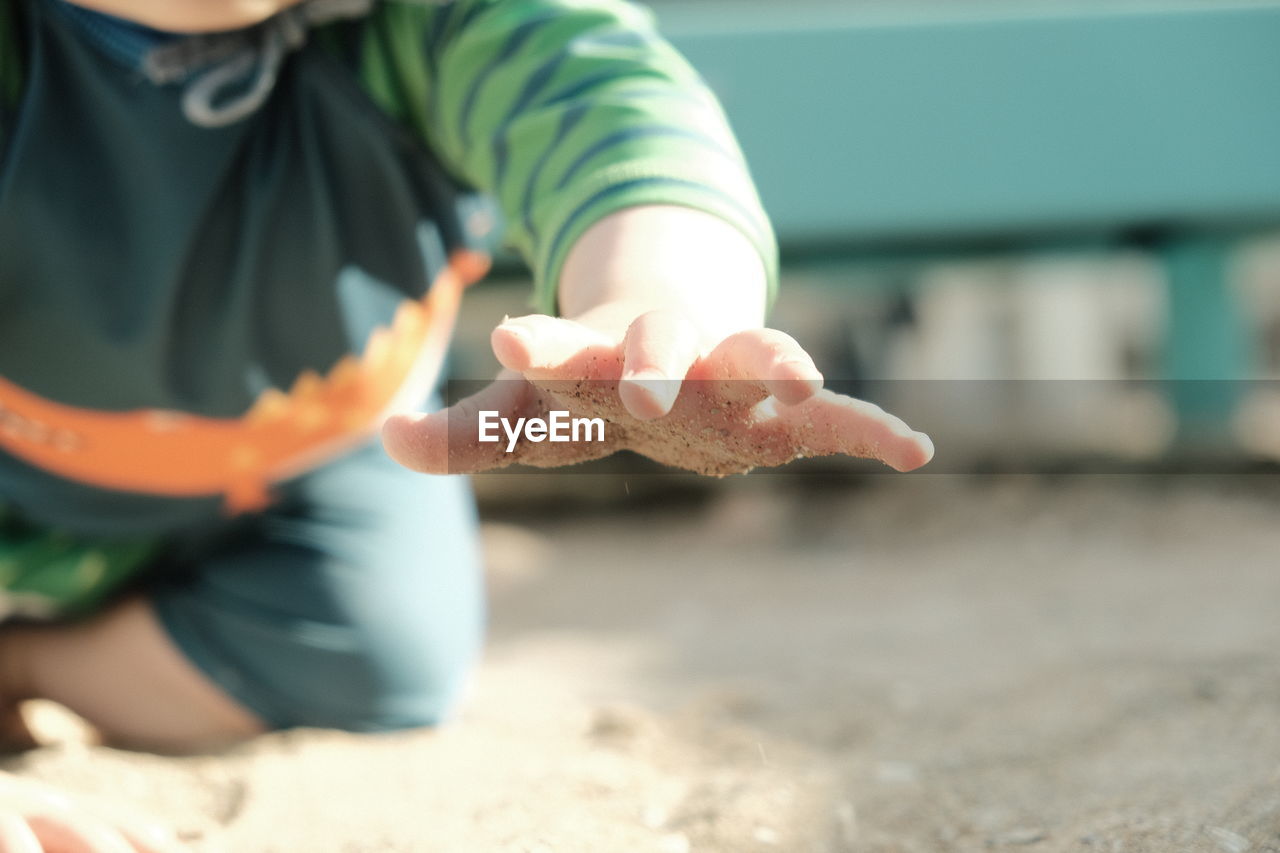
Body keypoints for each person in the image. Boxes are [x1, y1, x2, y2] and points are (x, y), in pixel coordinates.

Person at [0, 0, 933, 846]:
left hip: (309, 464)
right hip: (17, 461)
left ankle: (31, 662)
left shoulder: (424, 22)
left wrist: (652, 302)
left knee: (385, 655)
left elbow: (610, 110)